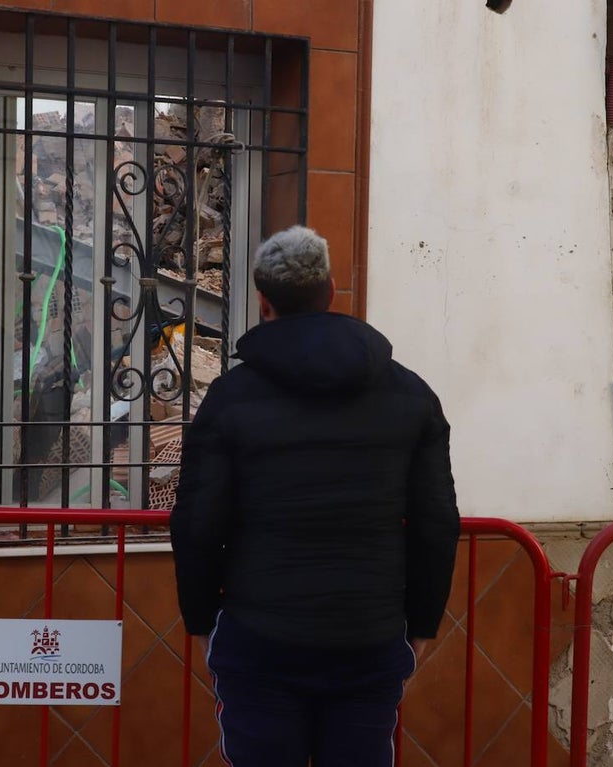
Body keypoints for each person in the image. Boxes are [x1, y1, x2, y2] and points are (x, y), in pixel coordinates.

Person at [170, 226, 460, 767]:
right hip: (368, 638)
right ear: (330, 291)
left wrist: (200, 620)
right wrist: (422, 622)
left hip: (260, 638)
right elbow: (436, 520)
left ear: (263, 303)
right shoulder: (410, 394)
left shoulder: (231, 398)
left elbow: (197, 520)